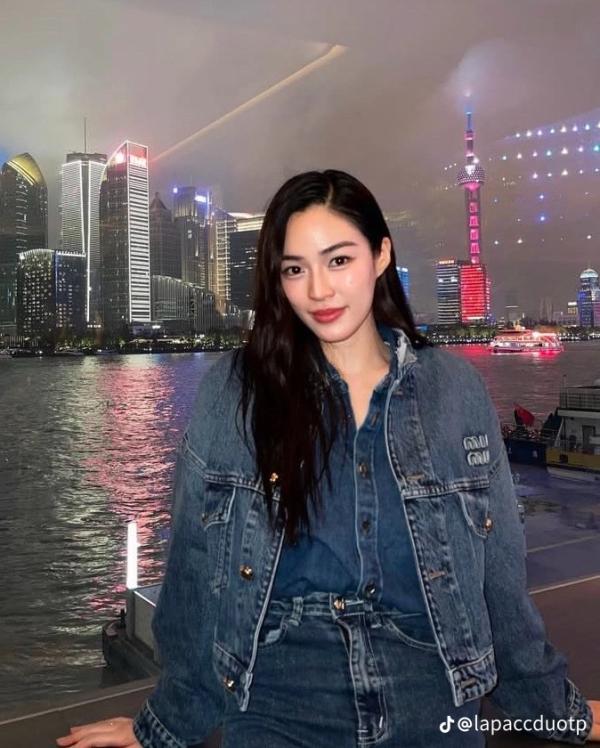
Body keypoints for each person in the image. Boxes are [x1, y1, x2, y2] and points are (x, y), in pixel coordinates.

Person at [57, 170, 599, 748]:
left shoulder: (453, 391)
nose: (318, 290)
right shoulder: (235, 395)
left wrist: (554, 711)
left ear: (380, 255)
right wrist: (164, 724)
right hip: (279, 704)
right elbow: (193, 568)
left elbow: (499, 578)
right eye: (295, 269)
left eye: (339, 260)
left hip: (434, 700)